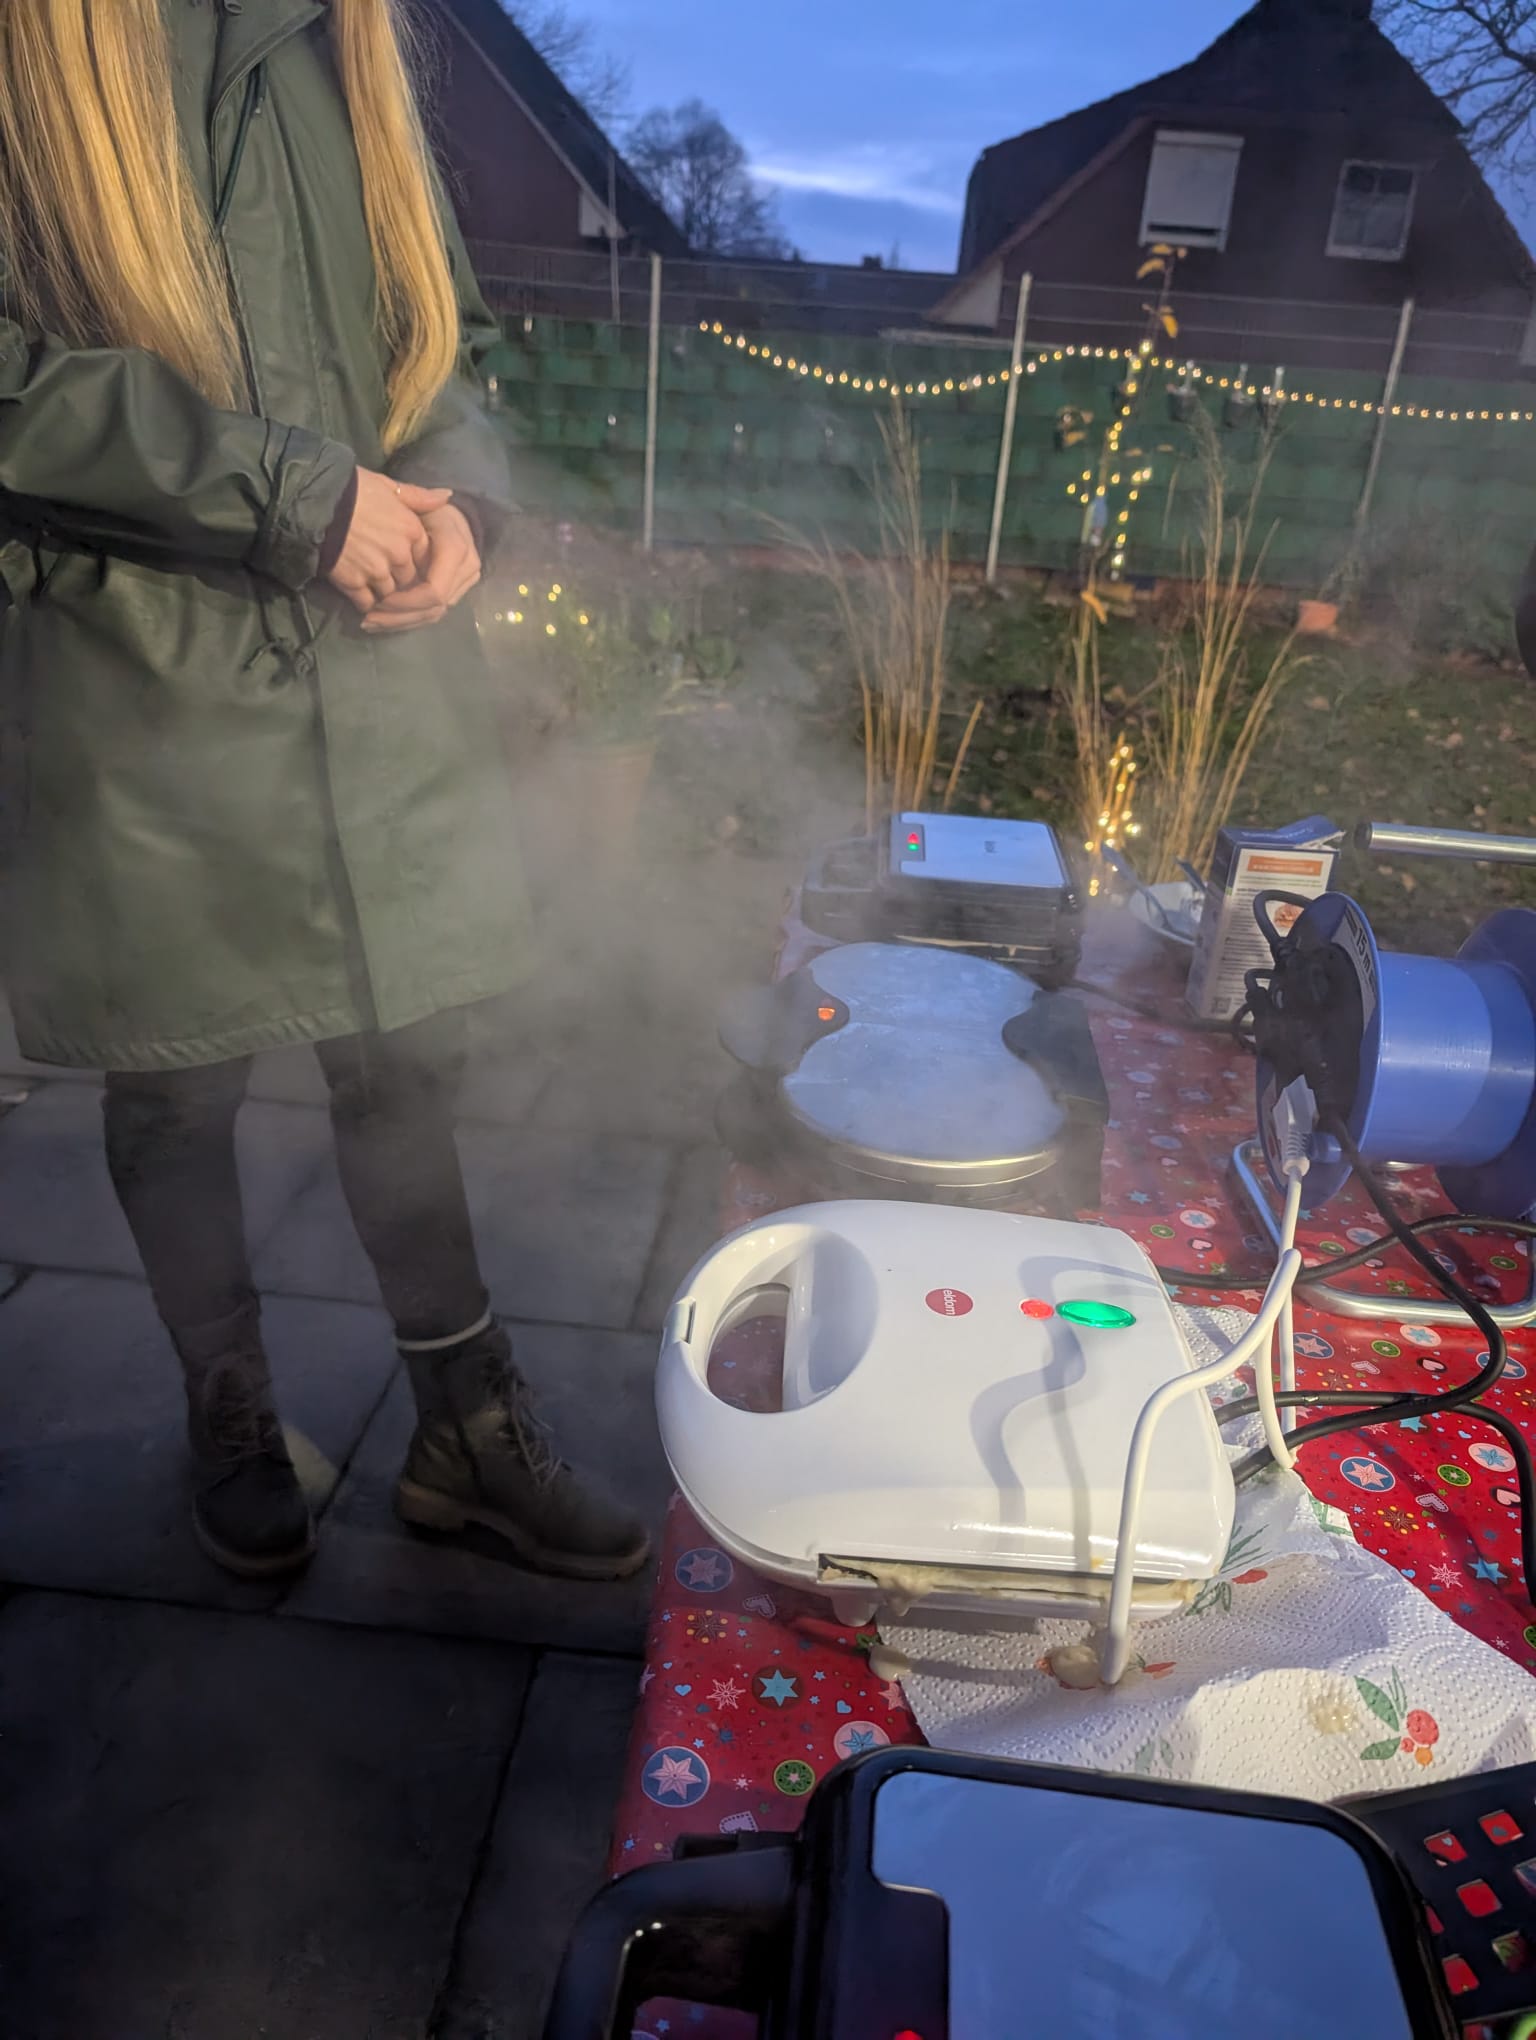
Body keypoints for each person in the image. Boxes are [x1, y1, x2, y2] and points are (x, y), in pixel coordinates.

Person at [0, 0, 647, 1584]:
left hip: (373, 675)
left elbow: (443, 346)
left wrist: (468, 510)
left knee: (404, 1058)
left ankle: (467, 1427)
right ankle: (229, 1414)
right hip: (138, 676)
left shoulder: (337, 40)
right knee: (176, 1085)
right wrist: (288, 493)